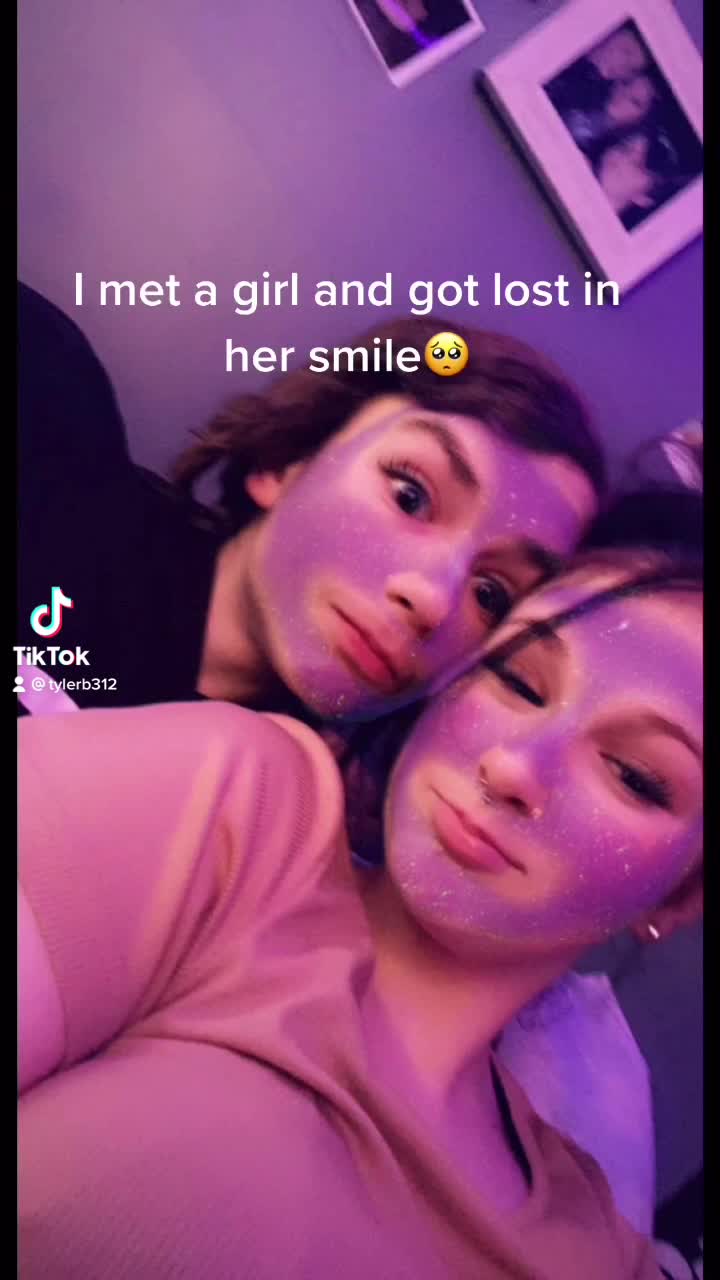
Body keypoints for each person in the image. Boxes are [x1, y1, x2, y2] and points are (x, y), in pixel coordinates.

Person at [19, 496, 702, 1278]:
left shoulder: (592, 1252)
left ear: (679, 897)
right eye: (518, 679)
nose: (515, 765)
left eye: (635, 776)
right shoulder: (245, 818)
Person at [18, 285, 601, 722]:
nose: (432, 600)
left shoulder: (285, 829)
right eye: (410, 495)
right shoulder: (48, 419)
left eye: (492, 594)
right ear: (285, 460)